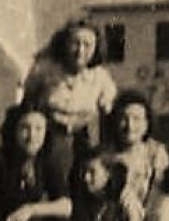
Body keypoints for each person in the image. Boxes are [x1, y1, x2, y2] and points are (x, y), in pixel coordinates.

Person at [20, 19, 117, 185]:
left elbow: (109, 116)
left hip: (85, 141)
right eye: (75, 43)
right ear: (65, 44)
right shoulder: (44, 70)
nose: (80, 51)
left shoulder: (101, 78)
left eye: (88, 45)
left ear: (96, 48)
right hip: (49, 140)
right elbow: (27, 106)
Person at [104, 90, 169, 211]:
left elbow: (161, 193)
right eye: (123, 119)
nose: (130, 125)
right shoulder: (105, 155)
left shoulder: (155, 153)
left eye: (136, 119)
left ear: (147, 123)